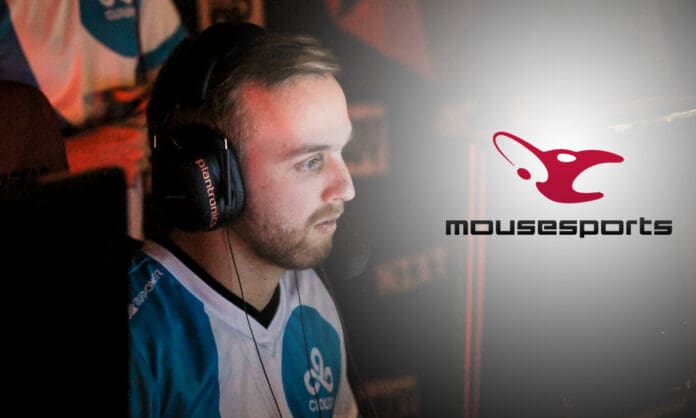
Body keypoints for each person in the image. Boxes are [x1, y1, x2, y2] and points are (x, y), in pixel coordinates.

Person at [128, 22, 360, 417]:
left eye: (341, 152)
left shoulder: (310, 297)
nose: (347, 188)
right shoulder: (140, 335)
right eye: (311, 161)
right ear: (211, 176)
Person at [0, 0, 187, 238]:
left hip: (124, 230)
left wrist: (154, 121)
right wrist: (72, 158)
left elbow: (187, 94)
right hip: (29, 233)